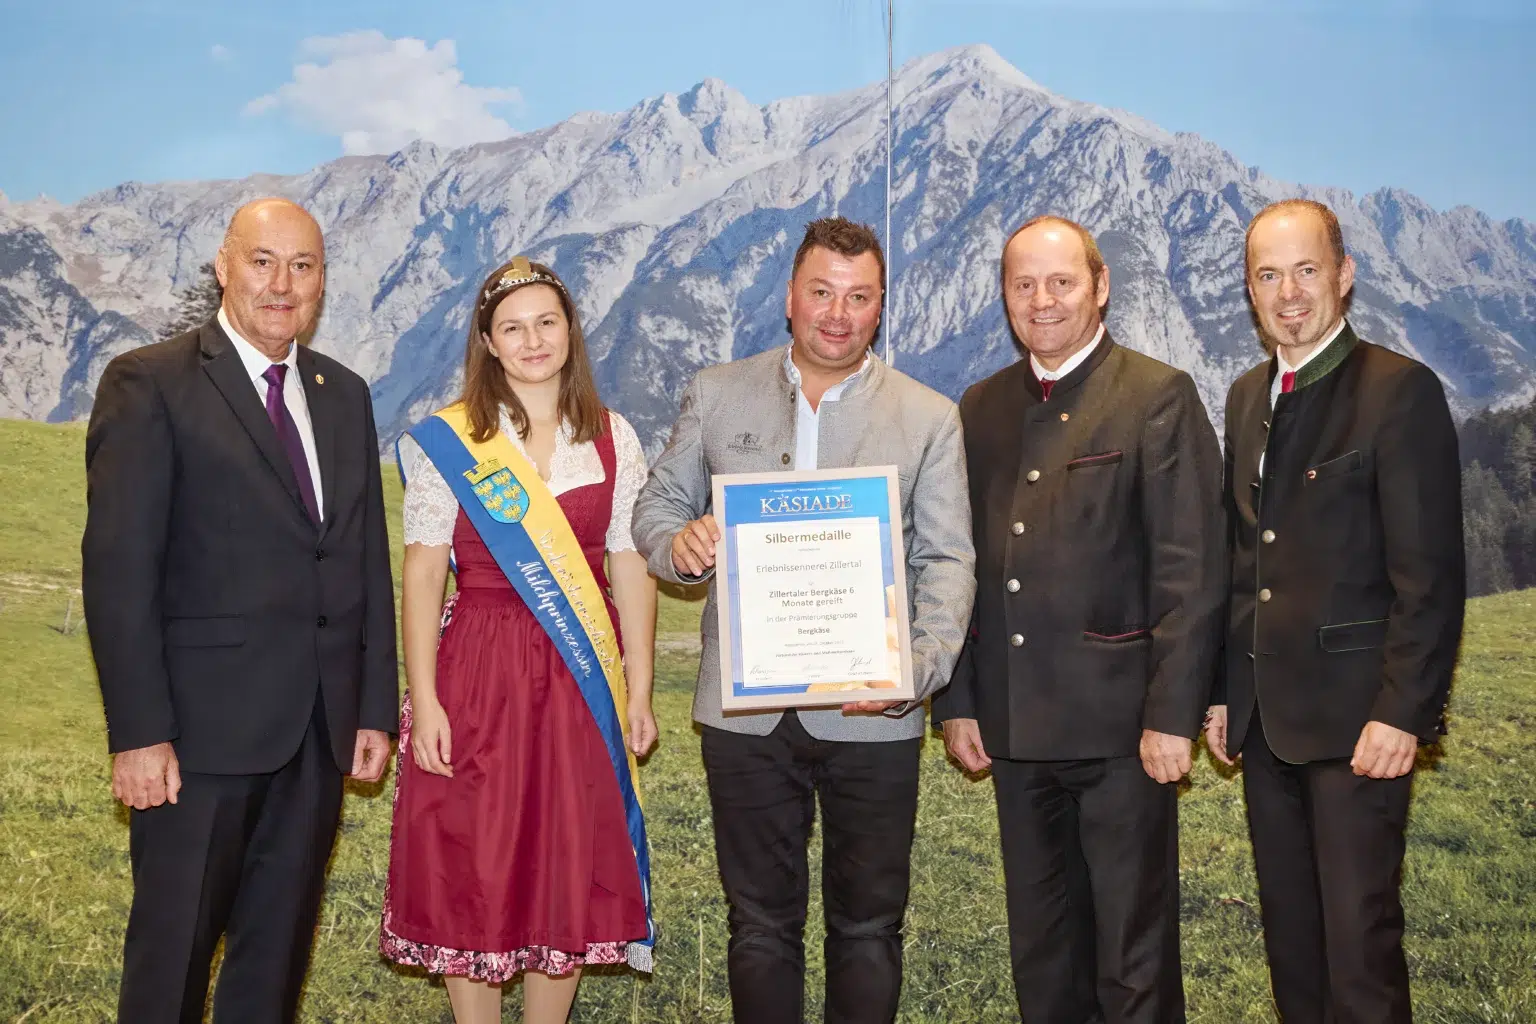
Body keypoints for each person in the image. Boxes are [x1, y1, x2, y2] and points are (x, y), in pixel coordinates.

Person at [631, 217, 974, 1024]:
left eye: (859, 298)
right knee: (758, 927)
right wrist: (677, 545)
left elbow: (948, 561)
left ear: (881, 307)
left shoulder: (929, 417)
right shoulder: (718, 392)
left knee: (868, 928)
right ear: (790, 297)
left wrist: (918, 672)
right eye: (821, 292)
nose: (838, 313)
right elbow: (656, 506)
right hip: (744, 719)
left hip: (875, 716)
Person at [82, 197, 399, 1023]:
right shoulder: (149, 382)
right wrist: (138, 732)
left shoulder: (344, 395)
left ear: (323, 281)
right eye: (263, 261)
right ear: (224, 265)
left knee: (274, 967)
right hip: (195, 743)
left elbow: (363, 558)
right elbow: (119, 571)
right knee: (169, 967)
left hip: (317, 739)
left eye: (303, 266)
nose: (282, 284)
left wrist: (371, 707)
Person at [933, 215, 1226, 1024]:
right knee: (1042, 953)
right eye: (1023, 285)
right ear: (1004, 297)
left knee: (1132, 960)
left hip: (1124, 734)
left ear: (1100, 287)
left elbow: (1190, 570)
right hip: (1015, 730)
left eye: (1062, 282)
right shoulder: (981, 406)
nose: (1043, 300)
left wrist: (1173, 715)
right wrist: (957, 701)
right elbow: (957, 565)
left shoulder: (1157, 395)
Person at [379, 256, 658, 1024]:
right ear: (488, 342)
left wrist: (636, 689)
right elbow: (424, 573)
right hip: (477, 667)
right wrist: (426, 697)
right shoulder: (450, 439)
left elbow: (628, 565)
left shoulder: (613, 438)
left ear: (570, 329)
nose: (533, 340)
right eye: (513, 327)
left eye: (547, 321)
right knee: (474, 851)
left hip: (579, 675)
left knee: (562, 855)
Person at [1205, 199, 1465, 1024]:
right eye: (1268, 275)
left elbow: (1429, 578)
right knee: (1293, 948)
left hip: (1362, 731)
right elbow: (1244, 564)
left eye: (1306, 270)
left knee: (1360, 950)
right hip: (1267, 724)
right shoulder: (1247, 397)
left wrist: (1405, 713)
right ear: (1249, 291)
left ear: (1344, 276)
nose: (1288, 293)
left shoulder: (1400, 391)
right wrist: (1223, 692)